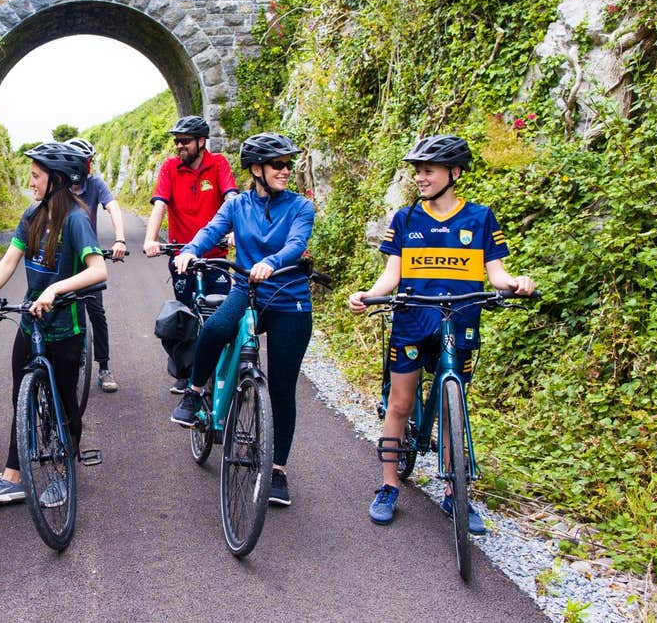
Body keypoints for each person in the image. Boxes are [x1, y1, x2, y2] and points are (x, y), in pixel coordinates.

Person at [346, 134, 536, 533]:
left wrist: (516, 282)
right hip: (413, 319)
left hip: (461, 319)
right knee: (399, 404)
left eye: (428, 170)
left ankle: (456, 493)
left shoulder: (480, 218)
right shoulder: (406, 218)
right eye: (417, 171)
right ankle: (388, 485)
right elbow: (392, 273)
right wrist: (370, 294)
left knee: (456, 405)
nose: (420, 177)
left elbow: (496, 273)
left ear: (454, 173)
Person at [168, 132, 316, 507]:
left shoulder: (301, 207)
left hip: (289, 297)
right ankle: (195, 394)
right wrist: (190, 250)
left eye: (288, 164)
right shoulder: (237, 205)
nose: (286, 170)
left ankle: (278, 471)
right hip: (246, 291)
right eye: (278, 164)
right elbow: (211, 231)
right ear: (256, 169)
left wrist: (272, 262)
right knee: (215, 328)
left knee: (283, 389)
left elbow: (296, 244)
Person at [0, 142, 109, 505]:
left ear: (57, 180)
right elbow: (9, 261)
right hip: (31, 323)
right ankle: (13, 475)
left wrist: (57, 289)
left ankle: (64, 471)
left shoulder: (76, 219)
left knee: (64, 404)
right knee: (20, 398)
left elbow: (98, 270)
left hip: (66, 326)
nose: (30, 182)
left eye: (36, 176)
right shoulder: (31, 215)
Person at [141, 115, 238, 394]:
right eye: (177, 142)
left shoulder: (218, 163)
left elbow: (232, 199)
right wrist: (150, 239)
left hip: (216, 255)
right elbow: (160, 204)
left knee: (219, 313)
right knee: (183, 315)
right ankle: (185, 372)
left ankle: (217, 368)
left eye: (185, 141)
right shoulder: (170, 167)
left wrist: (235, 230)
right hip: (182, 255)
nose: (180, 146)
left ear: (201, 141)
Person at [64, 137, 126, 393]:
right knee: (59, 311)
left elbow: (113, 208)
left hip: (90, 260)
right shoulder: (59, 186)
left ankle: (104, 367)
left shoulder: (95, 184)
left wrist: (120, 238)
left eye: (88, 161)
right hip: (65, 259)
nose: (87, 167)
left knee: (97, 314)